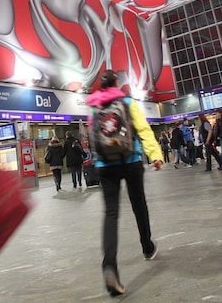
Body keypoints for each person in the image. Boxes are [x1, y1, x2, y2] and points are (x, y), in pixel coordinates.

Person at [85, 70, 163, 296]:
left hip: (105, 165)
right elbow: (142, 129)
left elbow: (94, 135)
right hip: (131, 160)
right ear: (117, 84)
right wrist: (155, 154)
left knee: (111, 214)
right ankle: (147, 247)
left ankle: (109, 266)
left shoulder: (93, 106)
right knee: (139, 204)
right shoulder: (126, 102)